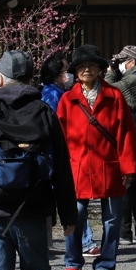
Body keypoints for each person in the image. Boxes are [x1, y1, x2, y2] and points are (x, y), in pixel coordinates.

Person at [0, 50, 78, 270]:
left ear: (1, 79)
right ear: (29, 79)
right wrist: (68, 213)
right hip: (33, 207)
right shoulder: (45, 113)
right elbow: (61, 167)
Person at [56, 44, 136, 270]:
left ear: (100, 69)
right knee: (75, 216)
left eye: (92, 65)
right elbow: (59, 138)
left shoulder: (114, 97)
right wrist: (59, 169)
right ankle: (72, 262)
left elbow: (126, 134)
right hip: (77, 167)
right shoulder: (67, 100)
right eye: (82, 66)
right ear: (76, 72)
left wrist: (129, 167)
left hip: (109, 166)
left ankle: (105, 265)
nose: (87, 70)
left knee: (112, 220)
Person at [39, 51, 99, 257]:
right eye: (66, 71)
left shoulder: (56, 92)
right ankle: (85, 243)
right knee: (71, 199)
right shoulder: (53, 95)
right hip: (60, 154)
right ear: (56, 74)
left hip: (63, 153)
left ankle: (82, 242)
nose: (71, 74)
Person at [104, 45, 136, 244]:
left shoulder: (133, 79)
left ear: (131, 62)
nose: (120, 64)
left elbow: (110, 90)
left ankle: (125, 232)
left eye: (122, 61)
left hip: (133, 140)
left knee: (127, 184)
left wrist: (109, 73)